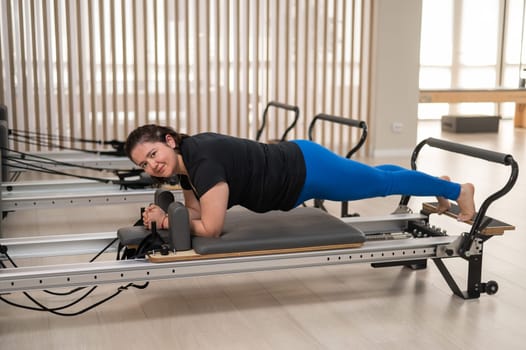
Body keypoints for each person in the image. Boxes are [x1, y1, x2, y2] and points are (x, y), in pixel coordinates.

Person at [124, 124, 476, 238]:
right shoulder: (188, 164)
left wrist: (167, 221)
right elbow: (196, 213)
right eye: (144, 163)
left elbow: (210, 227)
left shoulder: (204, 162)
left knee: (377, 184)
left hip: (306, 170)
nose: (152, 165)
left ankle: (459, 190)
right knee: (377, 178)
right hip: (299, 168)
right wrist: (173, 216)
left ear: (169, 140)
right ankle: (436, 182)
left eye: (153, 153)